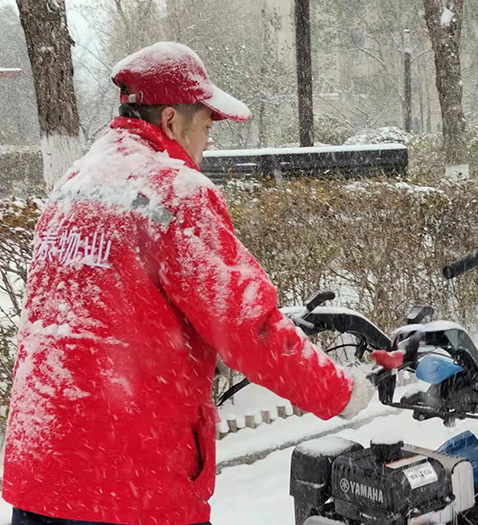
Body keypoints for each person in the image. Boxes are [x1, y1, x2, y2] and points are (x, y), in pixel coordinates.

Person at [2, 42, 374, 525]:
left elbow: (83, 320)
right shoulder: (174, 193)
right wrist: (340, 391)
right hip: (130, 484)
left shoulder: (72, 187)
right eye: (205, 123)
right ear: (172, 120)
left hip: (42, 472)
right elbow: (249, 329)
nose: (208, 140)